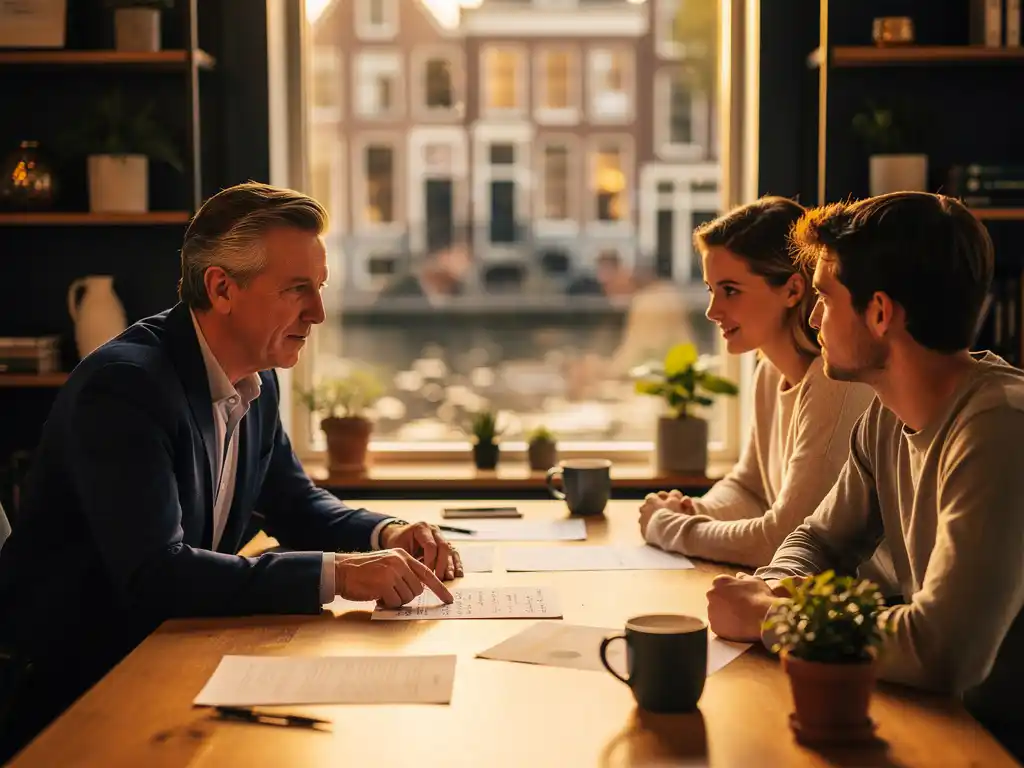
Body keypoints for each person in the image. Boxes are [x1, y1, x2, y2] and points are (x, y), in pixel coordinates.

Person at [0, 182, 463, 758]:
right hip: (74, 689)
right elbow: (155, 575)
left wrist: (388, 534)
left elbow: (296, 505)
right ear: (222, 287)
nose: (317, 313)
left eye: (318, 290)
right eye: (298, 290)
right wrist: (341, 574)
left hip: (171, 656)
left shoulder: (256, 379)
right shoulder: (125, 387)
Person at [705, 192, 1023, 760]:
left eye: (825, 296)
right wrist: (774, 585)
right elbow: (817, 538)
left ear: (879, 312)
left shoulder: (1000, 428)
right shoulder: (886, 414)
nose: (813, 317)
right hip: (939, 720)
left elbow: (942, 648)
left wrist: (773, 614)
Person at [638, 197, 883, 575]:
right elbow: (748, 487)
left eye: (731, 290)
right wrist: (694, 510)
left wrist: (667, 525)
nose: (712, 310)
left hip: (851, 606)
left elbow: (783, 538)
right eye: (710, 290)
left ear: (792, 290)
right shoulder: (768, 371)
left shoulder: (836, 384)